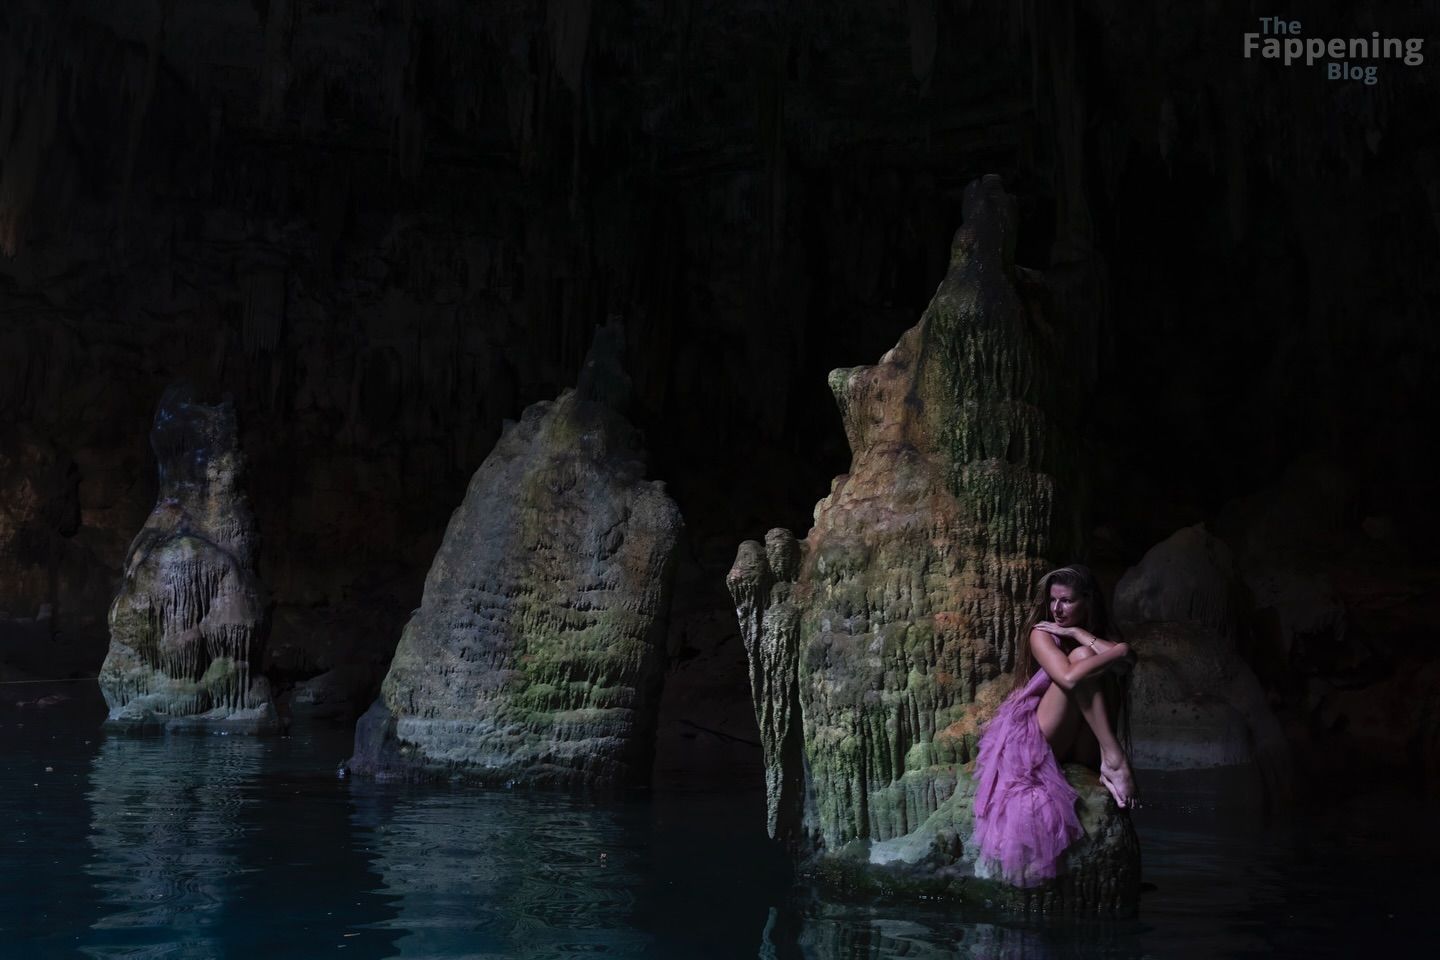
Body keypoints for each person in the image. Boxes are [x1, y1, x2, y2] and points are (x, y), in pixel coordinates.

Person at [971, 564, 1138, 887]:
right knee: (1081, 660)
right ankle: (1115, 758)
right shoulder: (1042, 632)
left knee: (1086, 656)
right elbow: (1069, 678)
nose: (1057, 609)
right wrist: (1120, 649)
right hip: (1043, 738)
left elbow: (1128, 664)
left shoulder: (1091, 634)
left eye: (1067, 601)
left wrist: (1081, 635)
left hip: (1083, 741)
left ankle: (1109, 757)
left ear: (1087, 601)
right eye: (1053, 600)